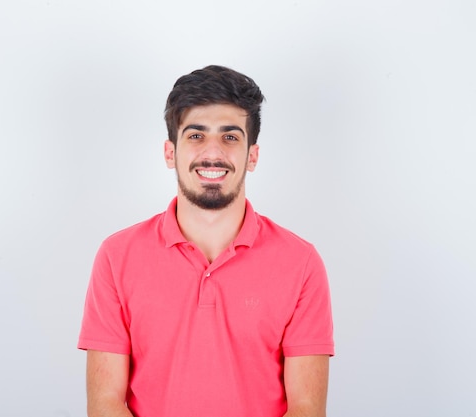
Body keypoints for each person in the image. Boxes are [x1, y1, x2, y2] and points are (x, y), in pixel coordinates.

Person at [78, 65, 335, 417]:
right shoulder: (116, 256)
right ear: (171, 153)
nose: (212, 152)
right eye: (196, 136)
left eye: (230, 136)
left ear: (252, 156)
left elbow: (306, 409)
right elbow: (106, 404)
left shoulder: (302, 263)